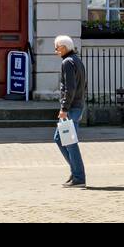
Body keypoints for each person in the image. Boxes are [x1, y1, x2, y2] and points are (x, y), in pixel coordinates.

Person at [53, 34, 87, 188]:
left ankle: (79, 177)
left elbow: (70, 88)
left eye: (57, 48)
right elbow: (83, 85)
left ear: (64, 47)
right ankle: (75, 171)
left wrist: (64, 108)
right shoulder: (77, 60)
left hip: (71, 108)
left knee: (69, 141)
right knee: (60, 139)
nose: (56, 51)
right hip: (77, 105)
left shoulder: (67, 62)